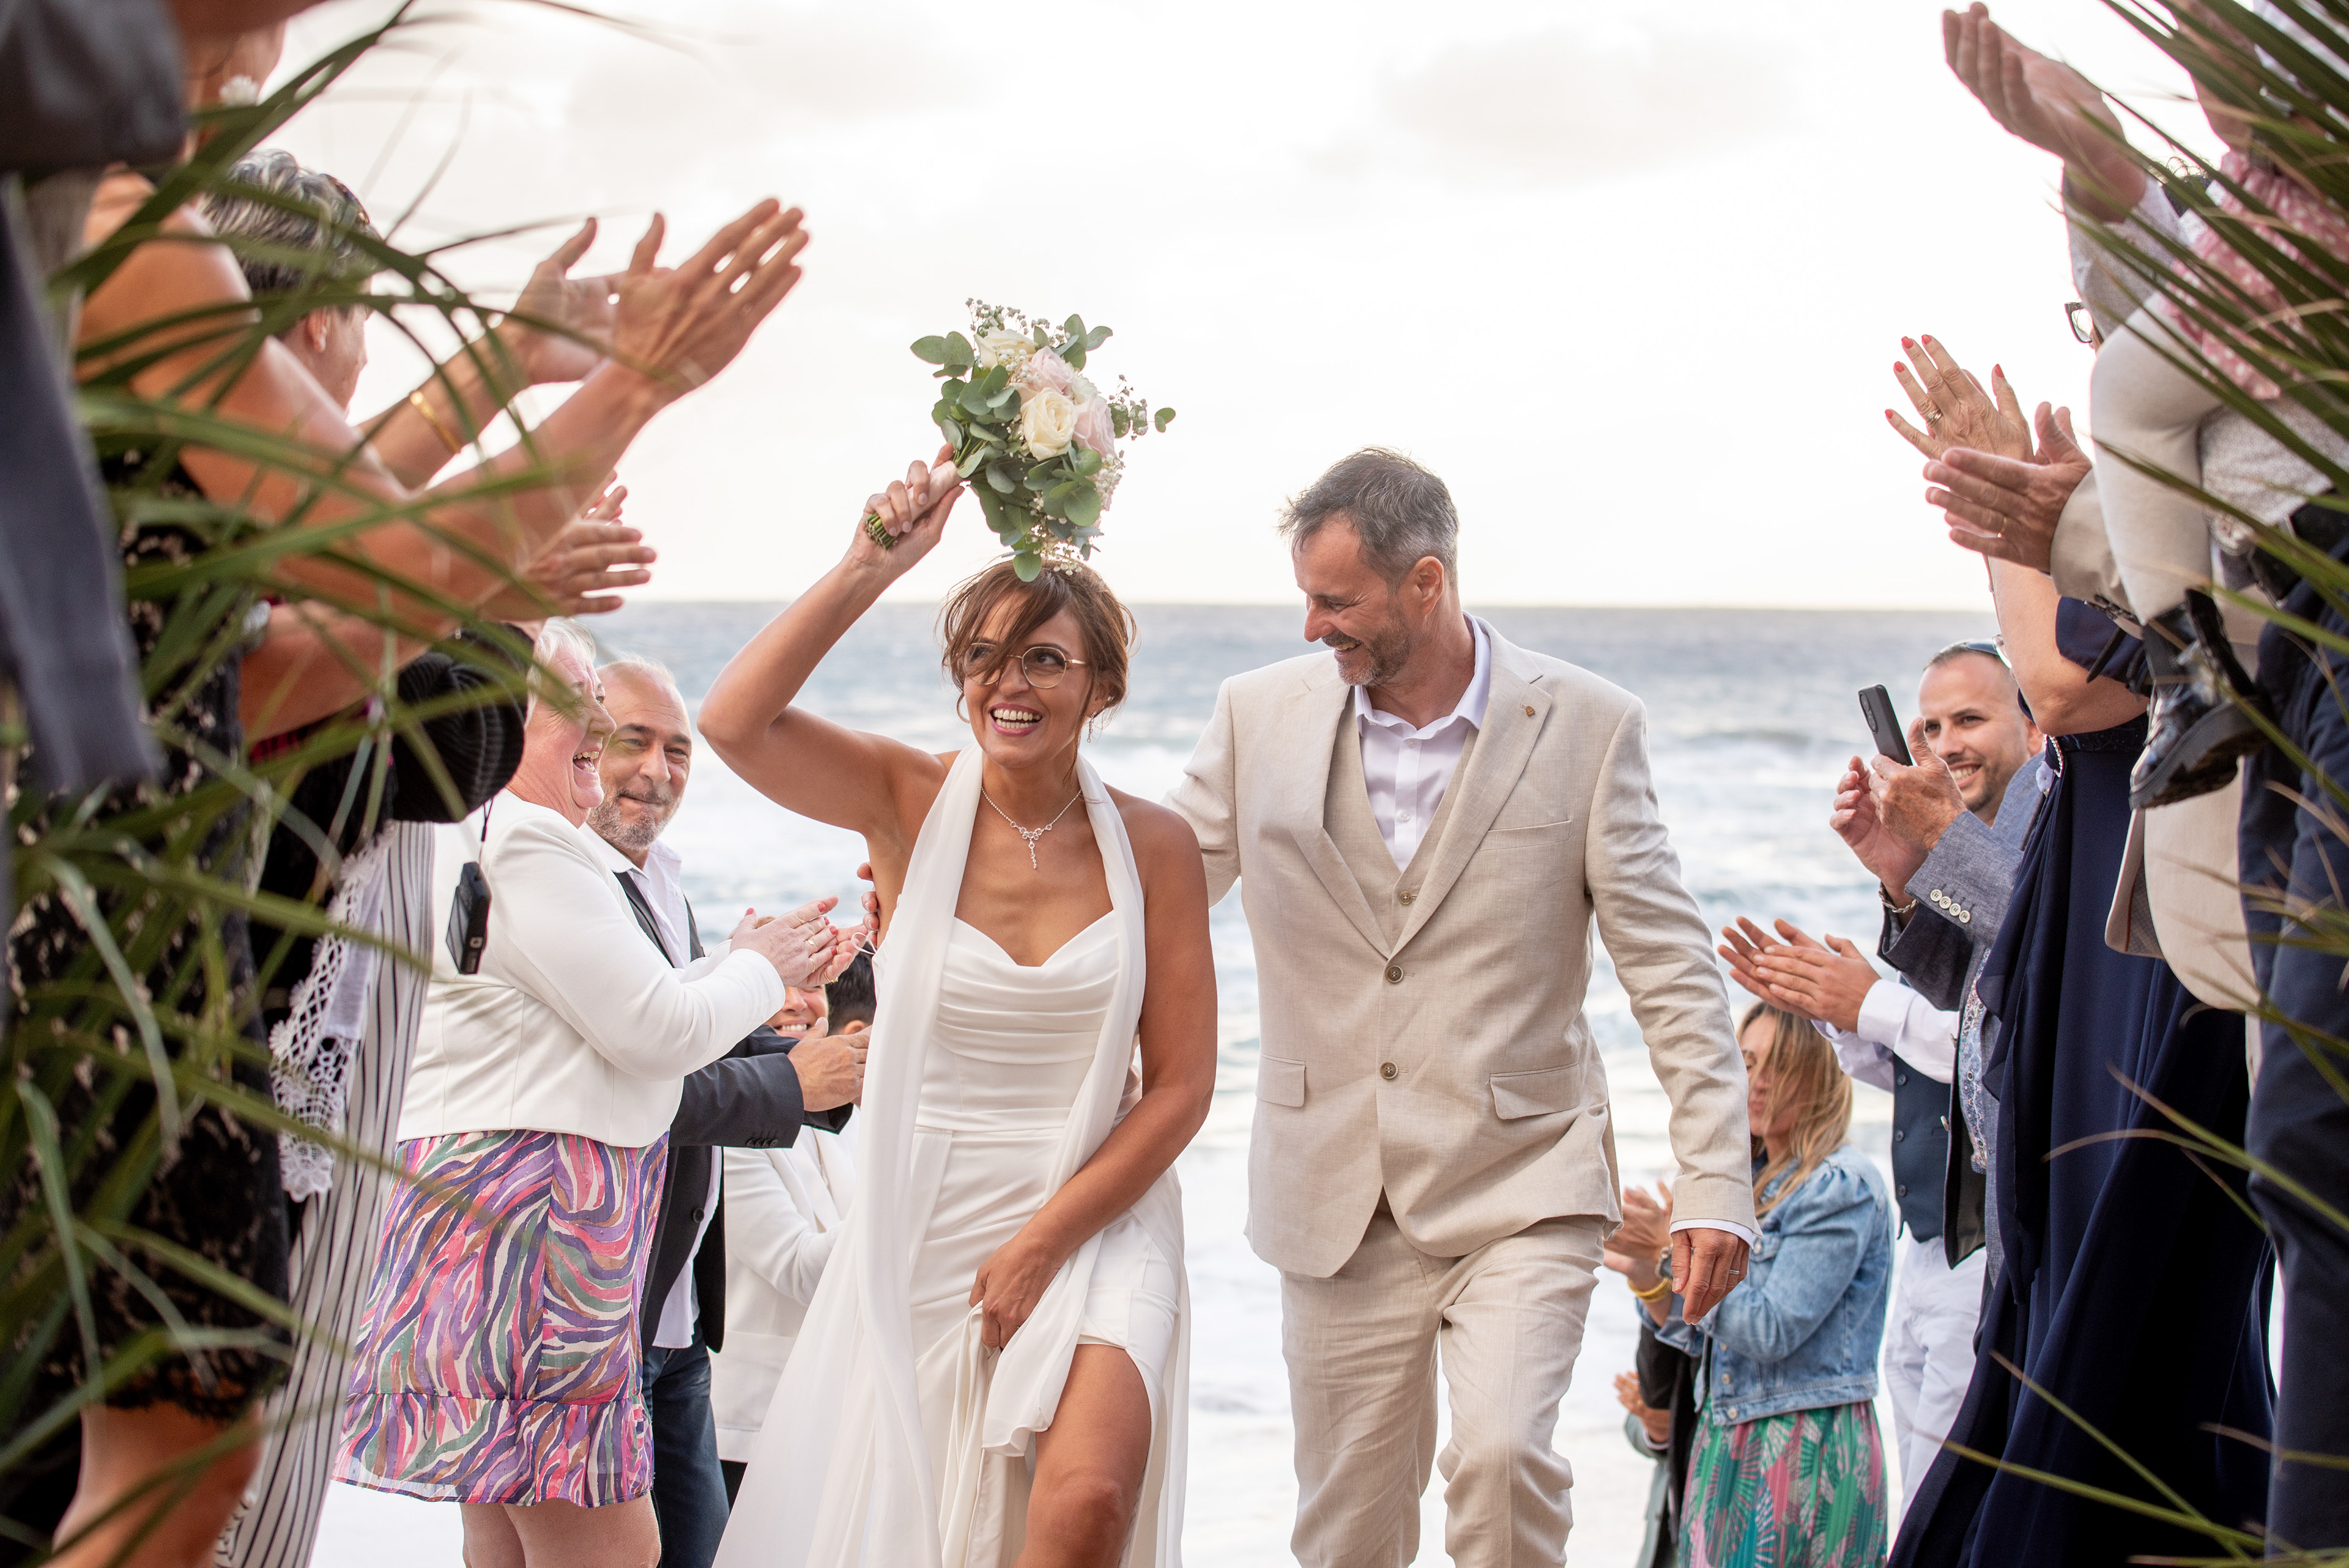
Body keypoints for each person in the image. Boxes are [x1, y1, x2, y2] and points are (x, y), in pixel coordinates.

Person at [1163, 448, 1757, 1566]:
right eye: (1306, 597)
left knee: (1500, 1455)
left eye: (1336, 601)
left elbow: (1671, 967)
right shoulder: (1256, 715)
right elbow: (1156, 893)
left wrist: (1718, 1176)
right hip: (1332, 1190)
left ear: (1425, 582)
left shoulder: (1589, 724)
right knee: (1346, 1532)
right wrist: (979, 885)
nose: (1311, 627)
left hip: (1523, 1176)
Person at [698, 456, 1215, 1567]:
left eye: (1044, 658)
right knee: (923, 1525)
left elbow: (1181, 1087)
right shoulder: (907, 799)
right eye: (982, 656)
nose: (1007, 683)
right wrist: (869, 565)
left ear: (1103, 687)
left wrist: (1044, 1240)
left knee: (1087, 1500)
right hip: (929, 1204)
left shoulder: (1159, 845)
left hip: (1100, 1200)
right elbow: (734, 722)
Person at [332, 622, 846, 1568]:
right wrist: (763, 967)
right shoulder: (532, 842)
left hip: (489, 1229)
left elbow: (604, 1017)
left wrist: (741, 963)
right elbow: (655, 1031)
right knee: (613, 1544)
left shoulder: (479, 833)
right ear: (503, 718)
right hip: (540, 1242)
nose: (602, 728)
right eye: (582, 705)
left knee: (508, 1530)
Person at [1721, 636, 2036, 1520]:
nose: (1943, 745)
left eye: (1969, 719)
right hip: (1927, 1240)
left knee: (1950, 1502)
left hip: (1990, 1243)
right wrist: (1837, 995)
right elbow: (1945, 1055)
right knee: (1922, 1493)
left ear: (2036, 726)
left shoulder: (2038, 846)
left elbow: (2016, 1028)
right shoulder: (1962, 864)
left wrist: (1873, 1004)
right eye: (1928, 727)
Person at [586, 656, 864, 1568]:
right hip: (597, 1309)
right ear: (579, 742)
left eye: (678, 750)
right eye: (633, 741)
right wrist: (796, 1079)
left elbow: (698, 1042)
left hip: (676, 1318)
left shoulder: (663, 886)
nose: (657, 770)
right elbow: (632, 1087)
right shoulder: (572, 887)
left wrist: (844, 1063)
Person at [1629, 1002, 1894, 1567]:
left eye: (1781, 1064)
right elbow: (1700, 1335)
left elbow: (1772, 1329)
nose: (1759, 1080)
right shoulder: (1739, 1186)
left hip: (1803, 1444)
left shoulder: (1839, 1187)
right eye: (1748, 1062)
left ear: (1820, 1075)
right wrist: (1645, 1273)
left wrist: (1667, 1255)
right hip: (1726, 1436)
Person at [707, 954, 875, 1503]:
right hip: (753, 1423)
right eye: (777, 985)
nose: (797, 1002)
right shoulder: (727, 1129)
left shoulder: (842, 1118)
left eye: (812, 985)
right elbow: (802, 1270)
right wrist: (906, 1194)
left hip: (836, 1410)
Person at [1605, 1183, 1697, 1568]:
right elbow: (1644, 1409)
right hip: (1668, 1534)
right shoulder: (1665, 1292)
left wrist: (1668, 1258)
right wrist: (1657, 1430)